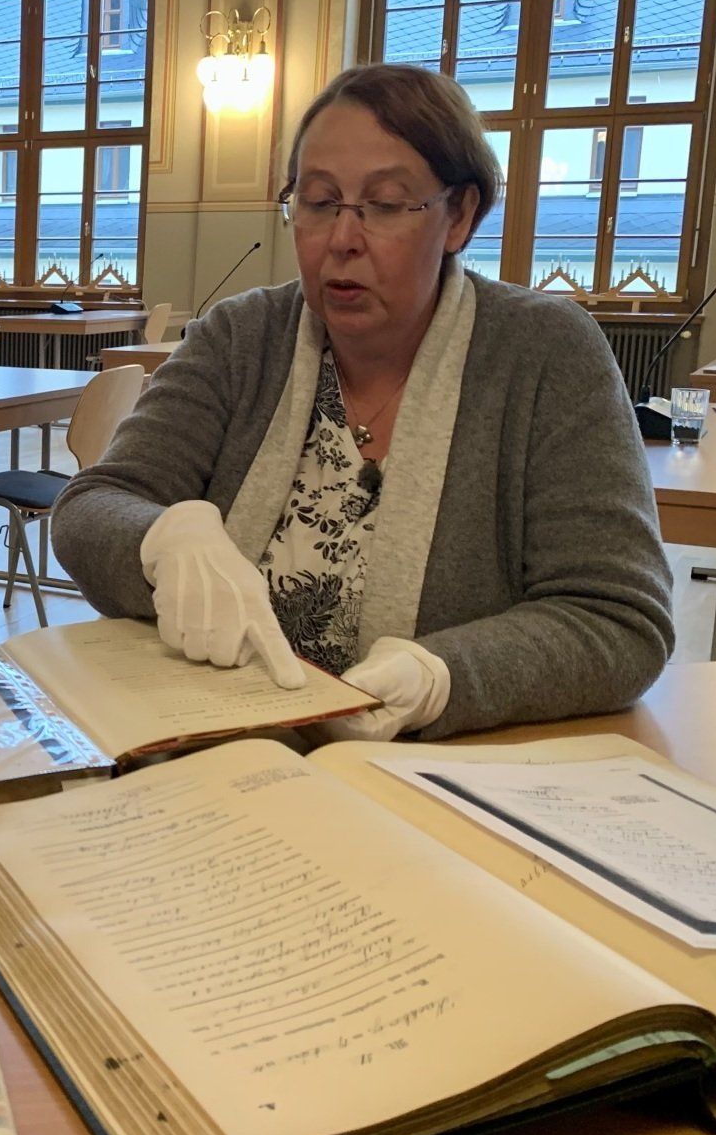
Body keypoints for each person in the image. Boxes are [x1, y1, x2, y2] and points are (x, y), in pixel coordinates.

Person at [52, 63, 673, 741]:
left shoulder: (544, 352)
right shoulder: (241, 338)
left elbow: (619, 619)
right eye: (319, 202)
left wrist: (445, 676)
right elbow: (92, 507)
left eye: (383, 205)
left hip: (434, 777)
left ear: (459, 214)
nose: (342, 239)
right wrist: (160, 540)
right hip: (217, 754)